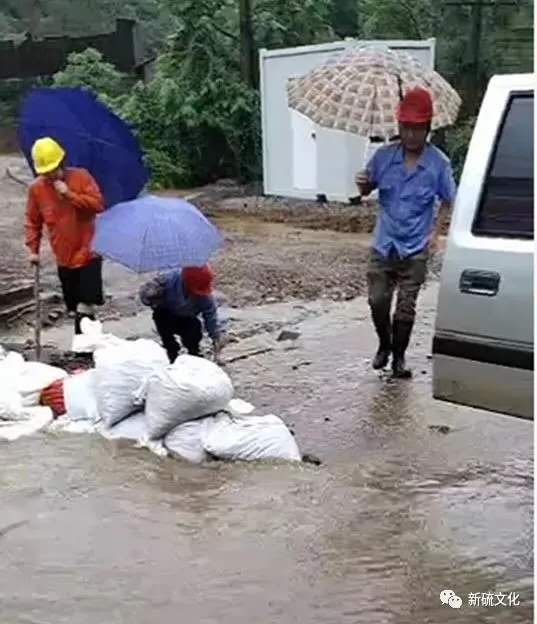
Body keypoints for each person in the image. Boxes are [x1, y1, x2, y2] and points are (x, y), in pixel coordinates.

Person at [356, 87, 456, 379]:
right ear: (399, 127)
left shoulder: (439, 164)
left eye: (418, 128)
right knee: (377, 301)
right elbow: (366, 188)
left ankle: (399, 358)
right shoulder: (384, 157)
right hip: (384, 245)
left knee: (406, 309)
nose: (411, 135)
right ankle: (384, 345)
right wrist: (361, 183)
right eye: (406, 127)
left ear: (428, 129)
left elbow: (449, 199)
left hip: (415, 248)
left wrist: (436, 233)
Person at [24, 137, 105, 335]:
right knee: (74, 306)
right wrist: (33, 250)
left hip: (89, 252)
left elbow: (98, 205)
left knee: (85, 306)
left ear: (62, 162)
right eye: (45, 172)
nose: (50, 175)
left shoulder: (81, 177)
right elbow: (33, 221)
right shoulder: (37, 189)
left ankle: (85, 350)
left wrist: (70, 194)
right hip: (64, 257)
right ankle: (91, 343)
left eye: (53, 170)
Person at [139, 265, 226, 363]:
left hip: (188, 318)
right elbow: (145, 297)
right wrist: (153, 298)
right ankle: (171, 353)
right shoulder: (166, 280)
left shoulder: (204, 296)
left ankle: (194, 353)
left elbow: (210, 316)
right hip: (166, 315)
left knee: (194, 331)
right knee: (161, 319)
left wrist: (216, 337)